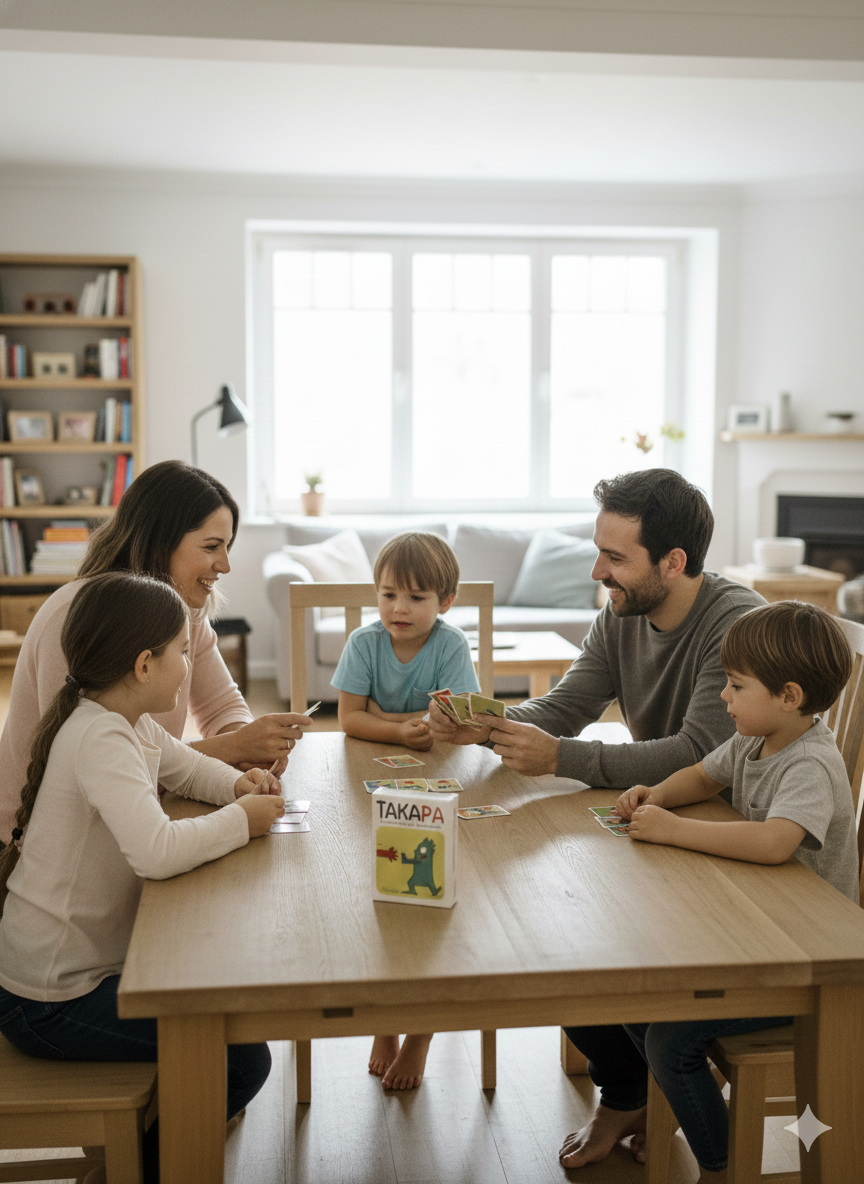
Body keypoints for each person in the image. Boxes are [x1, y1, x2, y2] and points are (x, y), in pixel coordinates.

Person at [0, 572, 286, 1184]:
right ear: (144, 663)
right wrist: (243, 820)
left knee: (217, 994)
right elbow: (156, 852)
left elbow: (184, 772)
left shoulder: (121, 717)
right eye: (182, 651)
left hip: (73, 974)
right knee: (243, 1060)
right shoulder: (101, 735)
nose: (189, 664)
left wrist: (238, 784)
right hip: (46, 1001)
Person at [559, 601, 856, 1179]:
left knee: (671, 1042)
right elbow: (702, 774)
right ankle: (654, 1109)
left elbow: (774, 843)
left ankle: (722, 1166)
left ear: (789, 696)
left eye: (736, 685)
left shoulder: (810, 764)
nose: (724, 696)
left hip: (804, 962)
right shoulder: (754, 737)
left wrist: (675, 830)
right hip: (751, 933)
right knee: (621, 985)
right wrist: (658, 795)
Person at [0, 460, 312, 844]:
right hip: (35, 846)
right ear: (160, 541)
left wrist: (248, 757)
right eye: (212, 546)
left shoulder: (184, 614)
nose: (226, 565)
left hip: (129, 822)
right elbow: (89, 766)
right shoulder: (75, 618)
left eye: (227, 546)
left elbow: (221, 707)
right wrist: (232, 748)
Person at [429, 468, 765, 787]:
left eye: (615, 558)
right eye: (598, 552)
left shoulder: (739, 626)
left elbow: (698, 756)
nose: (596, 572)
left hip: (734, 820)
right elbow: (564, 708)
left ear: (673, 563)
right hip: (657, 804)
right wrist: (483, 724)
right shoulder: (622, 613)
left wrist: (559, 758)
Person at [332, 530, 479, 1090]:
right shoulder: (364, 643)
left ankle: (420, 1034)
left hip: (441, 780)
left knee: (437, 901)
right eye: (389, 594)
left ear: (444, 603)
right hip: (366, 781)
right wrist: (401, 728)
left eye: (416, 598)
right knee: (375, 899)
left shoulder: (450, 644)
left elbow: (460, 725)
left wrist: (421, 729)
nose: (399, 608)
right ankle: (383, 1021)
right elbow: (349, 720)